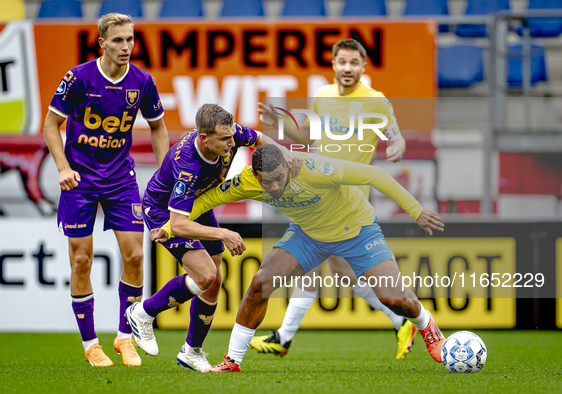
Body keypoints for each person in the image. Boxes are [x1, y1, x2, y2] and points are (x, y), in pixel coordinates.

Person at [150, 145, 445, 372]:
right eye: (268, 182)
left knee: (394, 299)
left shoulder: (317, 168)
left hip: (357, 231)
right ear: (256, 176)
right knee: (259, 284)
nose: (275, 187)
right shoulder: (246, 181)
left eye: (280, 179)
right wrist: (166, 227)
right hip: (308, 235)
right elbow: (205, 201)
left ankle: (426, 324)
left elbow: (375, 175)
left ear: (289, 167)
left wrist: (416, 210)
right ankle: (232, 361)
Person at [256, 38, 414, 359]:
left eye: (354, 63)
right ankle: (284, 338)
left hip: (348, 198)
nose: (347, 68)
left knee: (331, 268)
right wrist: (280, 122)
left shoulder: (376, 101)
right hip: (317, 191)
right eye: (342, 62)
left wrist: (397, 146)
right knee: (334, 270)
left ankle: (400, 320)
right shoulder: (323, 96)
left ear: (364, 66)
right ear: (333, 64)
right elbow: (309, 137)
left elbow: (396, 136)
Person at [124, 104, 300, 371]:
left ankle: (191, 351)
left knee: (214, 280)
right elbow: (179, 224)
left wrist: (284, 153)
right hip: (165, 211)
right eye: (225, 139)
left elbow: (259, 137)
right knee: (205, 275)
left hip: (199, 204)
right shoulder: (188, 165)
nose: (233, 143)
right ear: (204, 138)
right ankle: (142, 313)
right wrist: (224, 232)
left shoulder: (228, 134)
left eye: (232, 136)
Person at [43, 13, 169, 367]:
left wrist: (165, 171)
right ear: (102, 43)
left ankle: (125, 338)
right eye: (118, 40)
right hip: (79, 181)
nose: (126, 46)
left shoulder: (143, 82)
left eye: (130, 39)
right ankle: (90, 344)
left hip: (119, 179)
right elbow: (51, 125)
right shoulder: (78, 78)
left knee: (135, 256)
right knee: (81, 260)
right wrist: (63, 168)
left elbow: (158, 128)